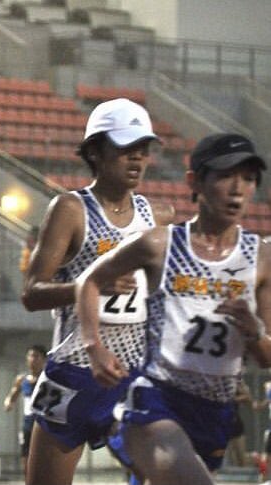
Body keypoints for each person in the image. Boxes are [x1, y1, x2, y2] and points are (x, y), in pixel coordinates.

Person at [77, 133, 271, 485]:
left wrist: (253, 328)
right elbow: (89, 281)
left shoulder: (261, 258)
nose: (238, 189)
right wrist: (94, 346)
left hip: (215, 411)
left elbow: (266, 356)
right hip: (157, 400)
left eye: (248, 178)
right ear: (194, 182)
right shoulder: (160, 243)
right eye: (226, 176)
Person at [19, 98, 173, 485]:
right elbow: (32, 293)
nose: (136, 159)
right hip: (74, 372)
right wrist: (89, 285)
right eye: (125, 148)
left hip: (131, 371)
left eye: (143, 149)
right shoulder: (71, 209)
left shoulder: (159, 215)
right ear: (95, 151)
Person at [3, 344, 47, 478]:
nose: (33, 359)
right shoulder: (22, 380)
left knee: (44, 457)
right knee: (26, 456)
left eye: (36, 356)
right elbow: (12, 396)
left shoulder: (47, 378)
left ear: (44, 360)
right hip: (28, 424)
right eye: (30, 356)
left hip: (44, 423)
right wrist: (8, 403)